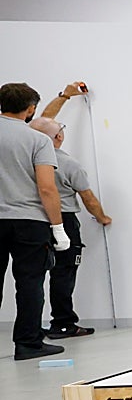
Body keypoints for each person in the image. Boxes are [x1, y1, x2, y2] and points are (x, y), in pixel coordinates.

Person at [0, 82, 71, 361]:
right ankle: (28, 342)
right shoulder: (37, 140)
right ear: (31, 109)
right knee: (29, 282)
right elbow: (46, 188)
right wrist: (58, 227)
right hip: (29, 222)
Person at [28, 116, 111, 338]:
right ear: (59, 137)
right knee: (63, 273)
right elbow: (88, 198)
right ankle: (63, 323)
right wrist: (103, 217)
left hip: (34, 220)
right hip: (63, 219)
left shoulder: (25, 158)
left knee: (31, 276)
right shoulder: (67, 163)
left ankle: (31, 329)